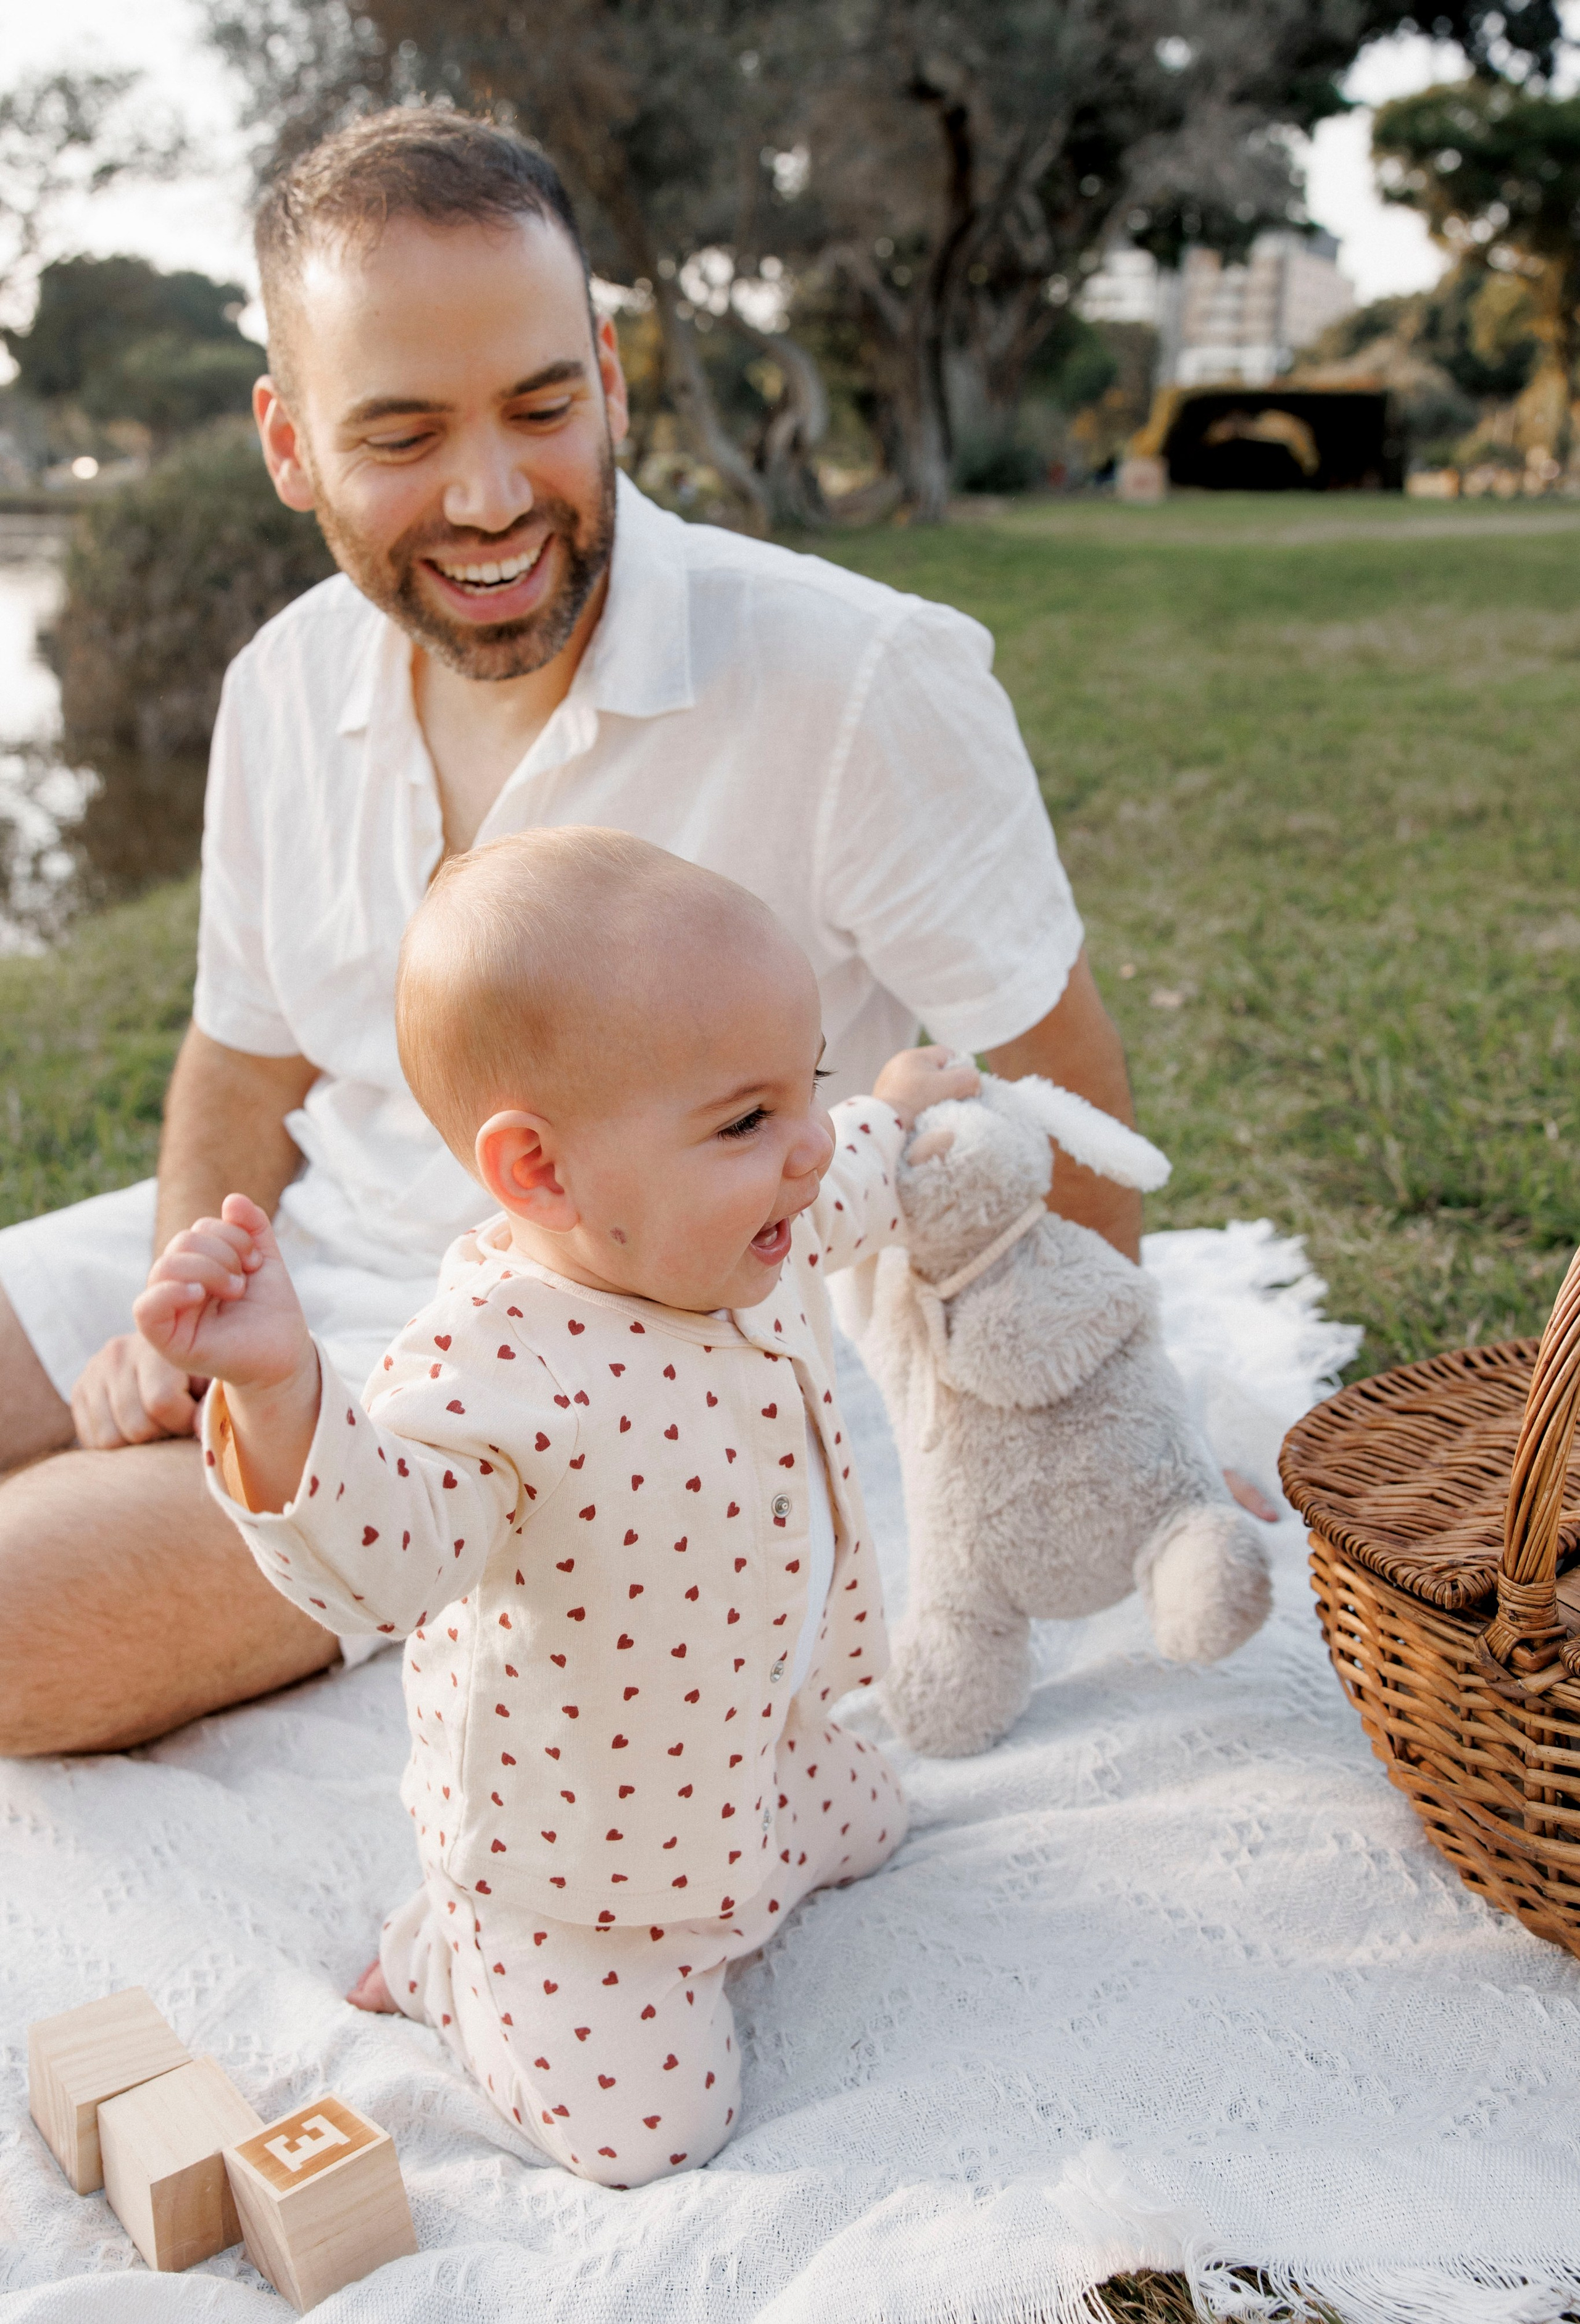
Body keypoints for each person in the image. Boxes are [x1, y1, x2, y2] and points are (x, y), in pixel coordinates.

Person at [0, 106, 1154, 1760]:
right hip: (304, 1253)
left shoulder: (863, 679)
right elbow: (238, 1056)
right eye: (399, 435)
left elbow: (1061, 1074)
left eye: (541, 409)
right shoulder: (278, 684)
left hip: (596, 1359)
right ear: (287, 443)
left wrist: (1096, 1425)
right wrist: (180, 1325)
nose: (490, 497)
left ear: (609, 379)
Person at [135, 827, 975, 2184]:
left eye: (805, 1086)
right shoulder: (493, 1373)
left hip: (755, 1739)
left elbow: (857, 1175)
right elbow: (382, 1562)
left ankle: (746, 1846)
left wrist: (908, 1104)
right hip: (579, 1858)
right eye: (749, 1119)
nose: (807, 1147)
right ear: (540, 1173)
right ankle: (456, 1960)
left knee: (873, 1821)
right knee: (652, 2136)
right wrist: (287, 1393)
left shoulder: (748, 1227)